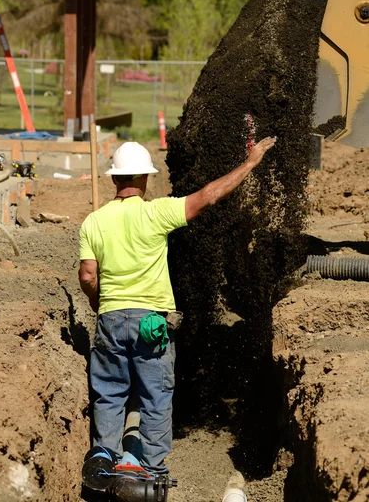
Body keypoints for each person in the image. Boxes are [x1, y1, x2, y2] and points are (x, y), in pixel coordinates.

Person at [79, 137, 276, 476]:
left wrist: (101, 303)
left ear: (114, 179)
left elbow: (87, 275)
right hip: (151, 323)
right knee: (155, 397)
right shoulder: (158, 212)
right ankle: (152, 472)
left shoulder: (92, 222)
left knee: (109, 394)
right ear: (144, 180)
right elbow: (210, 195)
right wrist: (250, 163)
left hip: (110, 319)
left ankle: (102, 462)